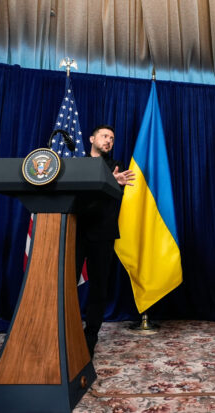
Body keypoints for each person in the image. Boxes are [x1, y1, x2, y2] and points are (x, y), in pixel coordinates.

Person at [75, 124, 135, 358]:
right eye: (104, 136)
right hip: (76, 233)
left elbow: (115, 196)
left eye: (112, 138)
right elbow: (77, 195)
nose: (109, 140)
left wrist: (112, 181)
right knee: (67, 285)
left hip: (103, 234)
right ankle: (66, 330)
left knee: (99, 289)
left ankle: (90, 338)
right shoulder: (77, 165)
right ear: (92, 139)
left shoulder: (116, 167)